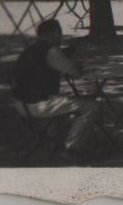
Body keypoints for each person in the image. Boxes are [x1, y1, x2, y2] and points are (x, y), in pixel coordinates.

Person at [10, 18, 99, 157]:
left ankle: (52, 142)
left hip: (21, 103)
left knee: (64, 102)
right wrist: (76, 64)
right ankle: (72, 147)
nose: (61, 36)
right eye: (60, 33)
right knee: (91, 106)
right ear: (53, 33)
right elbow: (75, 74)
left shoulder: (29, 49)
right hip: (39, 104)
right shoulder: (51, 51)